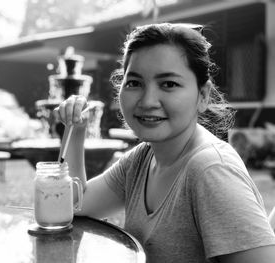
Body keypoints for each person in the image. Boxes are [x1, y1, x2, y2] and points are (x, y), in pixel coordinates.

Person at [54, 23, 275, 263]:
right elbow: (75, 204)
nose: (148, 101)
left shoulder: (210, 171)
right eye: (135, 83)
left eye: (169, 84)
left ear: (203, 96)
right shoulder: (142, 158)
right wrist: (76, 131)